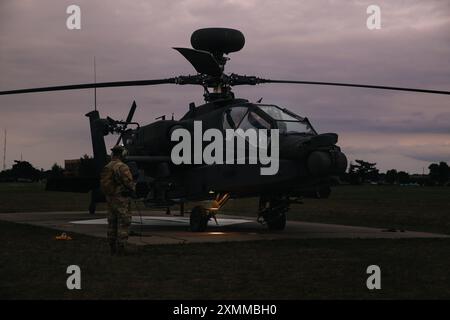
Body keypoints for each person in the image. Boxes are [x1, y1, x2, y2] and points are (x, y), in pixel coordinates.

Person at [100, 145, 136, 255]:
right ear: (122, 154)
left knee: (112, 222)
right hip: (120, 198)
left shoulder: (108, 166)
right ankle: (121, 247)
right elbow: (129, 182)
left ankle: (112, 247)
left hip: (110, 198)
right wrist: (133, 188)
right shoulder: (122, 166)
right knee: (124, 222)